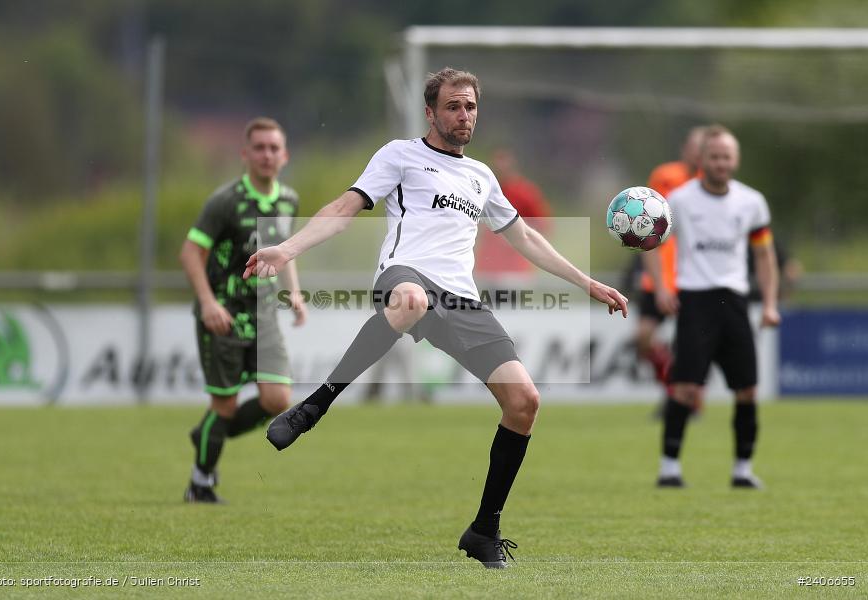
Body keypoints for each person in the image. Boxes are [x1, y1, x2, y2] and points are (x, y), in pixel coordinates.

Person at [243, 68, 629, 568]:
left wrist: (588, 283)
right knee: (412, 300)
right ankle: (315, 405)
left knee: (525, 402)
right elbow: (345, 206)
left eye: (470, 107)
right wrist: (287, 247)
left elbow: (526, 239)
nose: (463, 115)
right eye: (452, 106)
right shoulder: (400, 154)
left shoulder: (481, 177)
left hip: (461, 298)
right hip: (405, 276)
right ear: (431, 112)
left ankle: (484, 530)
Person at [645, 124, 780, 489]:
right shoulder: (680, 200)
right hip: (696, 301)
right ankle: (669, 467)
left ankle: (742, 470)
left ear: (735, 160)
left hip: (734, 303)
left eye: (726, 157)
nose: (721, 163)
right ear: (702, 159)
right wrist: (661, 288)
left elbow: (764, 256)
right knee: (686, 388)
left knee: (747, 390)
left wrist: (769, 303)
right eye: (714, 156)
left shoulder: (751, 202)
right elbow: (653, 243)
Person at [180, 117, 307, 503]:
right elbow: (190, 252)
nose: (267, 155)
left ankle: (208, 434)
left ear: (284, 156)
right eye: (260, 148)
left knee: (277, 399)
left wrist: (295, 294)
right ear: (245, 154)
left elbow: (284, 250)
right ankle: (201, 481)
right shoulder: (225, 201)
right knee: (225, 402)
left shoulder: (288, 200)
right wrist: (208, 303)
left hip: (264, 314)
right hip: (225, 314)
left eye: (274, 148)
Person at [637, 126, 706, 413]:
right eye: (694, 146)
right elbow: (650, 223)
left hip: (693, 278)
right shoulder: (665, 176)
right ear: (684, 148)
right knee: (642, 338)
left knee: (690, 348)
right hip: (659, 277)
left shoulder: (712, 183)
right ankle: (672, 388)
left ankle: (682, 397)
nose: (698, 153)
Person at [474, 147, 552, 279]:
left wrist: (512, 235)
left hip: (514, 268)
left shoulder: (525, 192)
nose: (500, 166)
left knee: (511, 298)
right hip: (488, 266)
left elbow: (542, 225)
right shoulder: (483, 190)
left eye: (504, 161)